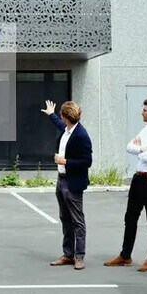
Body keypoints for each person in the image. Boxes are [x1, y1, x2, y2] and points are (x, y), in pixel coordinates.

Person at [104, 98, 147, 272]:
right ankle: (125, 255)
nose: (142, 112)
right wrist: (141, 149)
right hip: (138, 178)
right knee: (130, 218)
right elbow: (129, 146)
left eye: (145, 110)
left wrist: (142, 151)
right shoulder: (145, 129)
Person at [41, 100, 93, 271]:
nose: (61, 119)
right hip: (61, 179)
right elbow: (59, 124)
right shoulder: (67, 129)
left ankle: (79, 256)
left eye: (61, 116)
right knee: (65, 218)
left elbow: (87, 161)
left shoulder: (81, 135)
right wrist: (51, 114)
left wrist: (65, 161)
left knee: (77, 221)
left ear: (66, 117)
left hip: (73, 182)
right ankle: (68, 254)